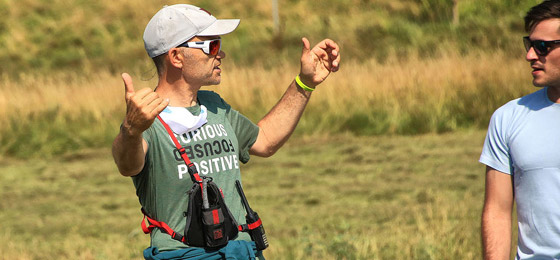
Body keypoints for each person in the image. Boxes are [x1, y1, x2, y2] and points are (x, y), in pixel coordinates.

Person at [111, 4, 340, 260]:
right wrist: (131, 130)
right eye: (213, 46)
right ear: (176, 57)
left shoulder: (214, 106)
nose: (222, 55)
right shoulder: (145, 119)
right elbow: (127, 165)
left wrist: (305, 83)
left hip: (243, 250)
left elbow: (265, 141)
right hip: (185, 255)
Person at [480, 1, 560, 259]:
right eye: (530, 44)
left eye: (543, 47)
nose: (530, 55)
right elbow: (497, 211)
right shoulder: (508, 118)